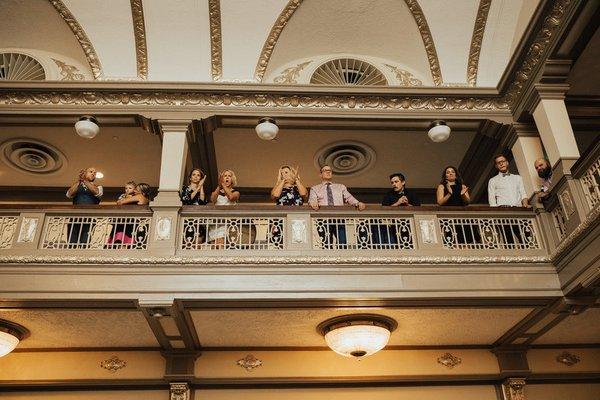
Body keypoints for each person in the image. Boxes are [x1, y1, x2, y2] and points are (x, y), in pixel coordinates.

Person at [309, 165, 365, 247]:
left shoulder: (340, 186)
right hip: (323, 219)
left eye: (330, 170)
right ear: (320, 175)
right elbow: (312, 199)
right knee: (326, 244)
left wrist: (358, 203)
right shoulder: (315, 188)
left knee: (342, 243)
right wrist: (313, 203)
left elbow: (349, 197)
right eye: (325, 170)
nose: (328, 172)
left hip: (339, 218)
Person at [378, 173, 420, 246]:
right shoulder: (388, 194)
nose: (394, 184)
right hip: (394, 224)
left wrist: (407, 204)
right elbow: (384, 209)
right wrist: (398, 203)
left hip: (410, 225)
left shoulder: (411, 193)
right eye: (392, 183)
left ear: (403, 182)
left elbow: (419, 209)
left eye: (396, 182)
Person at [65, 167, 103, 246]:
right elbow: (69, 194)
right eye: (91, 172)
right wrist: (79, 181)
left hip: (89, 219)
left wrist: (85, 180)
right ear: (85, 173)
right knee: (71, 244)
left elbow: (97, 193)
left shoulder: (98, 187)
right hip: (74, 218)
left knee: (84, 243)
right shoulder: (77, 185)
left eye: (95, 173)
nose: (93, 174)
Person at [209, 169, 240, 247]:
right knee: (214, 246)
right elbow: (213, 199)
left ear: (232, 179)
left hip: (227, 223)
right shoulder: (217, 191)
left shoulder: (236, 192)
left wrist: (223, 185)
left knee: (220, 245)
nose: (227, 178)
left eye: (229, 176)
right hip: (215, 223)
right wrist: (219, 186)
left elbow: (231, 197)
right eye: (225, 176)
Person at [180, 168, 208, 246]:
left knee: (197, 244)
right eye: (194, 174)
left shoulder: (201, 191)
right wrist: (198, 188)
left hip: (198, 221)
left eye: (198, 175)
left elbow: (202, 202)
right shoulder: (185, 188)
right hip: (187, 221)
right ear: (190, 177)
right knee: (186, 244)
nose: (196, 176)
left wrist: (201, 186)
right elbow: (187, 200)